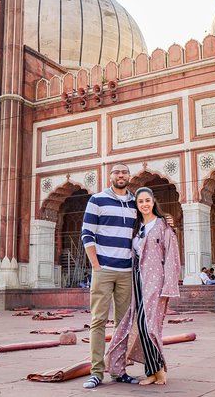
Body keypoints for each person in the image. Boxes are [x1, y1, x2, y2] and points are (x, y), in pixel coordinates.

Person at [105, 187, 181, 386]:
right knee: (141, 324)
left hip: (156, 281)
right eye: (141, 202)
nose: (145, 204)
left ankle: (159, 372)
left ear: (154, 202)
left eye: (148, 200)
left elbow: (172, 255)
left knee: (149, 326)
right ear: (137, 206)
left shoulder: (163, 225)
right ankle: (152, 371)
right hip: (138, 280)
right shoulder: (137, 227)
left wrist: (169, 285)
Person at [80, 163, 137, 389]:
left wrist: (167, 221)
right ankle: (96, 372)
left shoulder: (135, 202)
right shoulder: (97, 200)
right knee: (99, 321)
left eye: (124, 172)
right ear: (110, 176)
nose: (121, 175)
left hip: (126, 271)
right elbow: (87, 233)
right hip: (103, 269)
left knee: (123, 324)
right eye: (117, 172)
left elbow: (148, 226)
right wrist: (96, 265)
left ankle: (119, 370)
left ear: (129, 177)